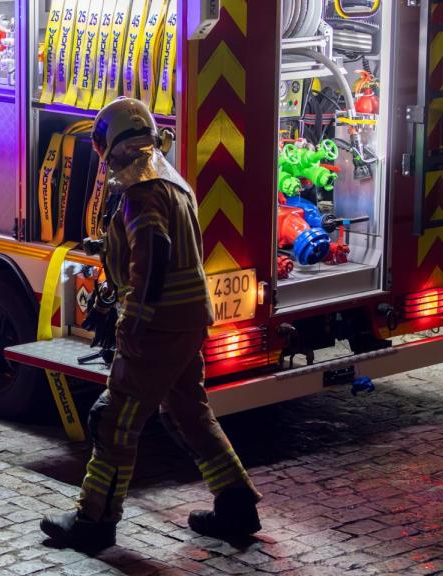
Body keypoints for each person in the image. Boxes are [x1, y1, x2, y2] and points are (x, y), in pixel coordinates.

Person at [40, 98, 261, 553]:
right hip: (188, 319)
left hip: (157, 325)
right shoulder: (171, 180)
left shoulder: (138, 189)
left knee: (115, 419)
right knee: (188, 412)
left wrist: (134, 319)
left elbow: (153, 248)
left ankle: (94, 521)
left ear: (110, 144)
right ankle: (237, 505)